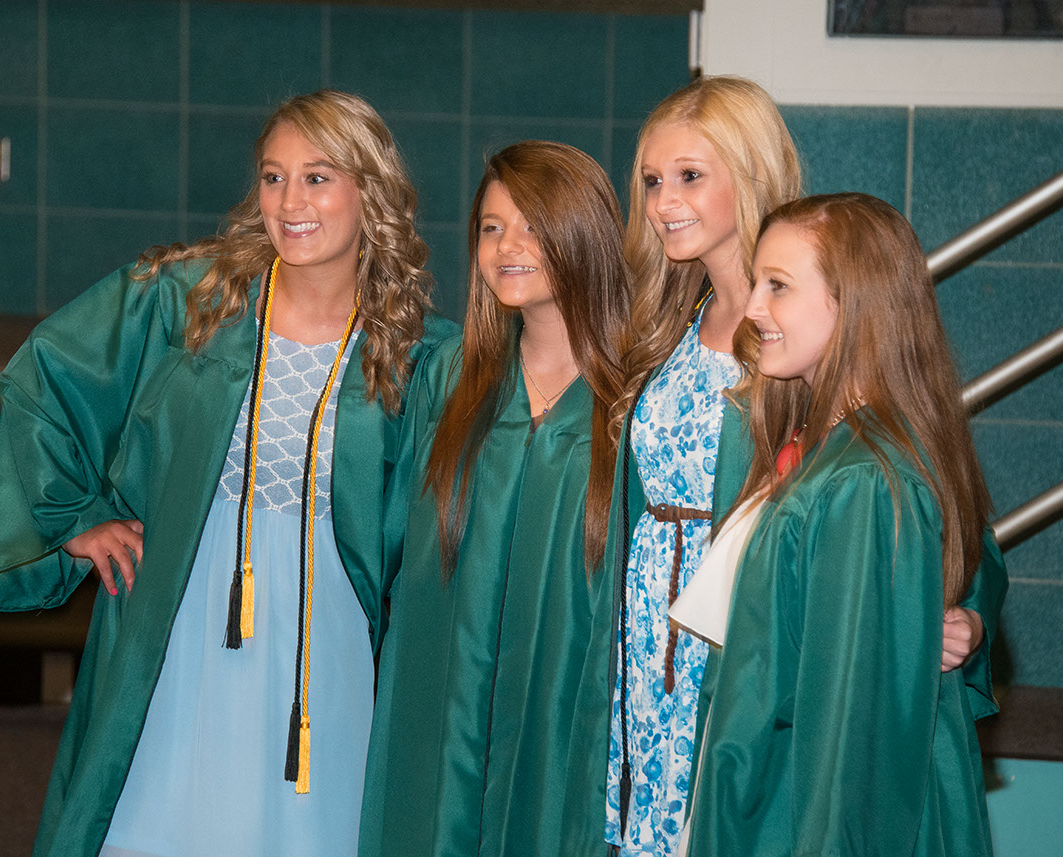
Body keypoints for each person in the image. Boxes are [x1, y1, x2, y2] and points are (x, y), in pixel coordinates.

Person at [0, 90, 453, 857]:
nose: (290, 202)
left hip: (323, 651)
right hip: (181, 629)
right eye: (272, 177)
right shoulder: (190, 300)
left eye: (318, 177)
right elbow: (43, 376)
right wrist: (71, 515)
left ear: (372, 191)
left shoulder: (414, 353)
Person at [606, 75, 1006, 856]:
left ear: (749, 173)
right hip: (651, 639)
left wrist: (967, 613)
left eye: (690, 176)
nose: (663, 201)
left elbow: (936, 514)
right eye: (652, 180)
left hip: (759, 654)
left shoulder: (809, 330)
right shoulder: (660, 331)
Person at [677, 192, 996, 856]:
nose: (755, 307)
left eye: (779, 286)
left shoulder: (859, 480)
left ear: (853, 304)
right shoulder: (826, 443)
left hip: (806, 818)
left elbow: (849, 741)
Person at [358, 141, 631, 857]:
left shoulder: (638, 400)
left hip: (568, 721)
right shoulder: (450, 379)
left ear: (584, 233)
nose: (508, 245)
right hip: (441, 711)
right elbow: (387, 540)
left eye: (533, 225)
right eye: (491, 227)